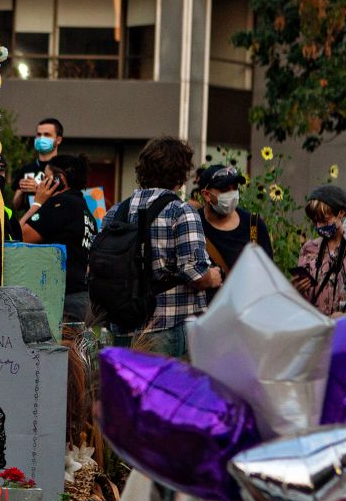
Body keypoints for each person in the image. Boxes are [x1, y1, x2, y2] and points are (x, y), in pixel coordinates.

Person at [106, 137, 221, 358]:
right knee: (165, 391)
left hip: (122, 326)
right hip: (165, 326)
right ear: (181, 174)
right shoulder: (180, 211)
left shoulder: (117, 211)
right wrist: (213, 277)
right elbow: (194, 274)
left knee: (130, 392)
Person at [18, 153, 93, 321]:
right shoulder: (82, 207)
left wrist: (37, 203)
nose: (41, 183)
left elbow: (20, 235)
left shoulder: (61, 204)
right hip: (80, 297)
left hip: (64, 300)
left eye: (46, 177)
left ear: (59, 179)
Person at [194, 163, 273, 281]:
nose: (232, 194)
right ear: (206, 195)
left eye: (235, 188)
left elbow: (268, 272)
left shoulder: (253, 225)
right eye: (224, 189)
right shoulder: (194, 223)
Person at [294, 185, 346, 316]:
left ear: (342, 213)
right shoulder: (308, 248)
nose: (319, 226)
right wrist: (296, 289)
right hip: (315, 325)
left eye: (324, 220)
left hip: (345, 326)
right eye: (314, 222)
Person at [8, 118, 65, 225]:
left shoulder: (64, 168)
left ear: (58, 140)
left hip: (55, 225)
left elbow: (66, 200)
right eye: (39, 134)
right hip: (31, 225)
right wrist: (21, 190)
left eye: (47, 135)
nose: (41, 138)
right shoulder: (26, 169)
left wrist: (38, 189)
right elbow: (15, 206)